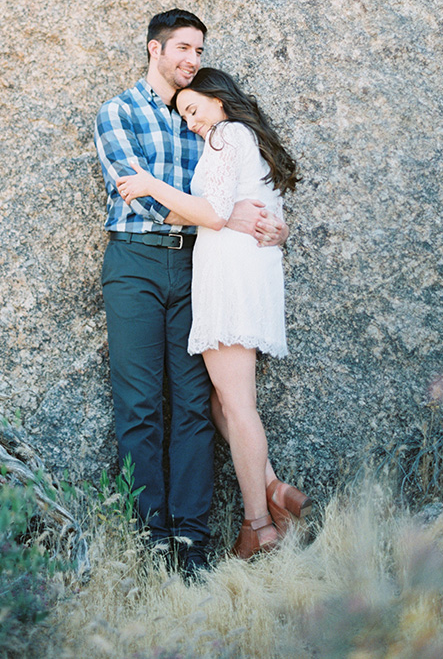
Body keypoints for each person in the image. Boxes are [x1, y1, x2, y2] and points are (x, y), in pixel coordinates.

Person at [94, 10, 288, 577]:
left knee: (195, 406)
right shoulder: (118, 113)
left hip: (197, 268)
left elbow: (247, 187)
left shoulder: (205, 118)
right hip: (136, 262)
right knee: (139, 403)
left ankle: (191, 539)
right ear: (154, 49)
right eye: (182, 48)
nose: (192, 60)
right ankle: (149, 535)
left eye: (199, 51)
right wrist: (230, 219)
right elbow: (139, 193)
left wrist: (272, 223)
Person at [116, 66, 312, 560]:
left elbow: (214, 213)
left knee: (236, 403)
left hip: (229, 275)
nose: (191, 122)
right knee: (221, 402)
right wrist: (275, 230)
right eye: (182, 115)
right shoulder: (250, 139)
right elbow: (260, 213)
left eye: (193, 109)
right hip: (252, 272)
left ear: (217, 98)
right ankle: (272, 488)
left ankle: (259, 525)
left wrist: (149, 184)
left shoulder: (226, 135)